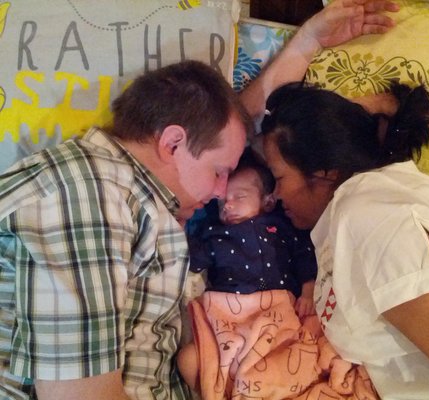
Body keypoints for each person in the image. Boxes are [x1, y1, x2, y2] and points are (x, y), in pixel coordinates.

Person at [0, 1, 402, 399]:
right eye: (220, 172)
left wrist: (309, 43)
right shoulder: (84, 193)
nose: (221, 192)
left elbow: (241, 128)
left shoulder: (137, 197)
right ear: (173, 142)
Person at [260, 81, 429, 400]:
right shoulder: (364, 205)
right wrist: (371, 106)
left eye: (278, 178)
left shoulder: (373, 219)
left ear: (326, 171)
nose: (274, 196)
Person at [178, 150, 318, 389]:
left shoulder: (282, 227)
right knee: (188, 360)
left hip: (278, 311)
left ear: (268, 201)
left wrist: (308, 291)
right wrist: (179, 227)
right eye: (222, 202)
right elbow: (194, 259)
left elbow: (304, 254)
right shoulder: (214, 234)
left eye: (239, 196)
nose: (228, 205)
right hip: (230, 315)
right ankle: (230, 387)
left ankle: (259, 384)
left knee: (293, 355)